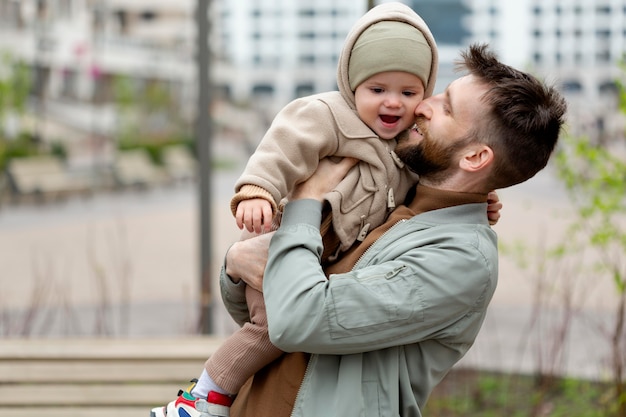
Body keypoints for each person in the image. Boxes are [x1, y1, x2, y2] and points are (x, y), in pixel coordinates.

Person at [215, 43, 567, 417]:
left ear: (475, 157)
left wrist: (307, 199)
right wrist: (235, 266)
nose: (422, 106)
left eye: (445, 107)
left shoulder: (460, 259)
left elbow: (297, 320)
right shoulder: (390, 196)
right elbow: (261, 318)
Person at [151, 3, 440, 417]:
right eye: (378, 89)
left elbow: (435, 180)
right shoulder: (328, 115)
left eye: (408, 92)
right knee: (273, 330)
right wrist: (258, 190)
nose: (393, 103)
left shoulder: (410, 145)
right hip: (281, 251)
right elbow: (282, 148)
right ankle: (201, 398)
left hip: (319, 267)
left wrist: (481, 200)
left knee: (288, 331)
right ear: (352, 84)